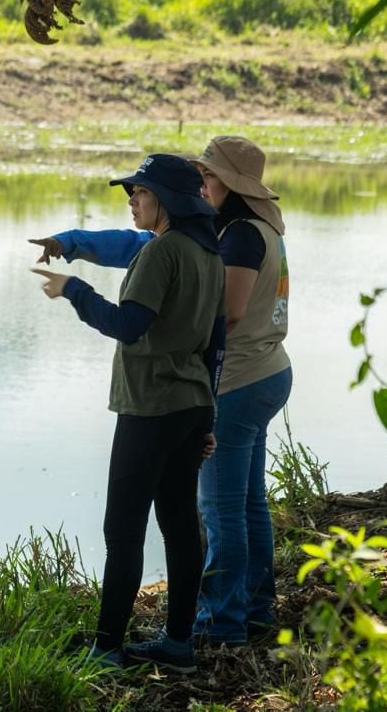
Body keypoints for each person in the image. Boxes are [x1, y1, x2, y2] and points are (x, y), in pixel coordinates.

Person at [30, 153, 225, 674]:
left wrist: (72, 289)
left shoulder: (162, 252)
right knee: (180, 525)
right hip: (190, 407)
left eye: (140, 192)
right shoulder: (208, 253)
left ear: (166, 199)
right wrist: (207, 420)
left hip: (149, 408)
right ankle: (178, 644)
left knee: (123, 530)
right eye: (131, 192)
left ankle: (107, 649)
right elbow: (216, 345)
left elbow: (128, 326)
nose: (132, 200)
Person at [188, 136, 291, 647]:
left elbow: (228, 312)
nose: (201, 184)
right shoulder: (263, 225)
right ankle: (255, 610)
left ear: (231, 183)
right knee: (248, 503)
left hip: (238, 380)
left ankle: (220, 624)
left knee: (219, 508)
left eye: (208, 176)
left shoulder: (243, 235)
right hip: (268, 370)